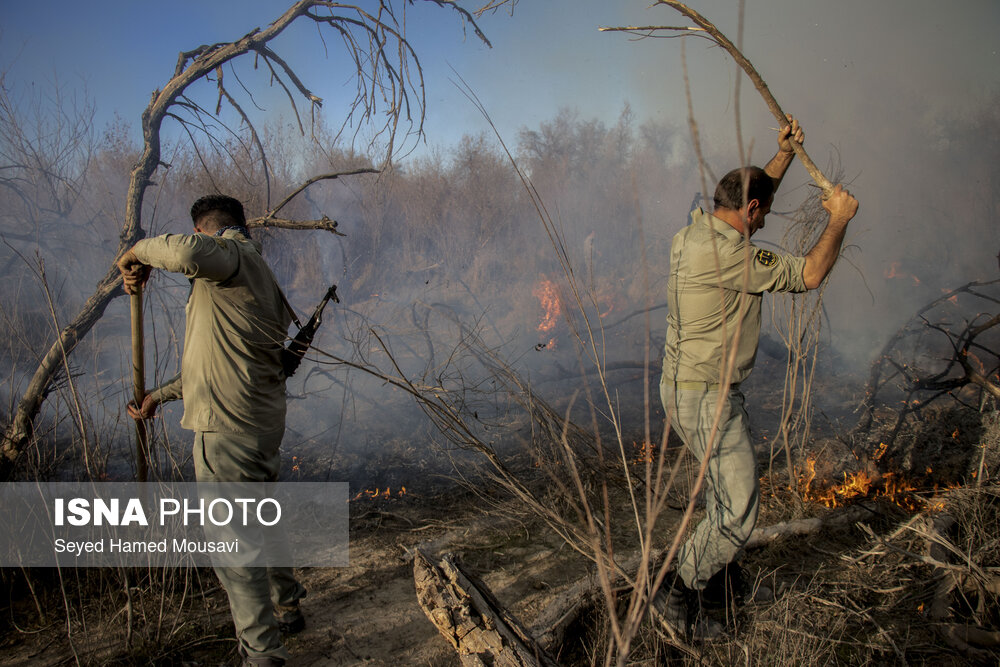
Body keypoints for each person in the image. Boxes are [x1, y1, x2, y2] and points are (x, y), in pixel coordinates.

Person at [655, 118, 859, 640]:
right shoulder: (732, 256)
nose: (766, 219)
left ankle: (719, 583)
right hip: (704, 397)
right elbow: (809, 274)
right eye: (763, 212)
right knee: (738, 510)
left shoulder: (694, 231)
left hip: (688, 388)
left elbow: (751, 193)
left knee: (725, 497)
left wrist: (783, 155)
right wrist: (838, 220)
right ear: (748, 211)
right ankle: (676, 591)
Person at [119, 195, 306, 667]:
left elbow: (182, 254)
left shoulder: (231, 256)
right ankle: (288, 604)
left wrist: (136, 251)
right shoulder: (259, 276)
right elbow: (216, 365)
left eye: (199, 238)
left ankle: (264, 655)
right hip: (260, 426)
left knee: (233, 548)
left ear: (208, 233)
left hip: (226, 430)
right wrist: (157, 397)